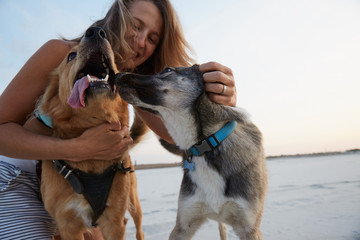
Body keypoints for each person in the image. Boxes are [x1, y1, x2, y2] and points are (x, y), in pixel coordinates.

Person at [0, 0, 237, 239]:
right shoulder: (62, 54)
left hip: (75, 189)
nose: (141, 41)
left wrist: (219, 104)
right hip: (16, 179)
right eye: (136, 26)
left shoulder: (126, 84)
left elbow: (182, 138)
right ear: (117, 17)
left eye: (153, 38)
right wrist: (77, 149)